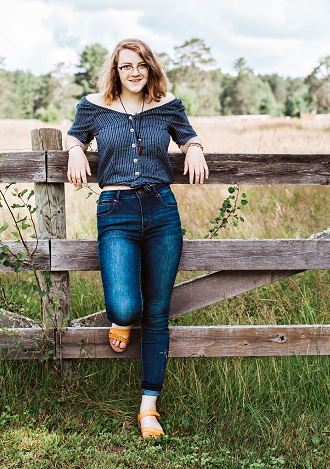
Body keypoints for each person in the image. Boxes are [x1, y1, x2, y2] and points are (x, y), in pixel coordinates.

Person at [66, 38, 209, 438]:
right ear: (115, 69)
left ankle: (149, 408)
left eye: (141, 65)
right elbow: (74, 135)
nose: (134, 71)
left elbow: (187, 135)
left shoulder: (168, 105)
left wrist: (194, 147)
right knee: (127, 306)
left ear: (150, 69)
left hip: (162, 211)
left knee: (158, 312)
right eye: (126, 65)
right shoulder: (93, 106)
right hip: (116, 212)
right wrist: (76, 149)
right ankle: (122, 321)